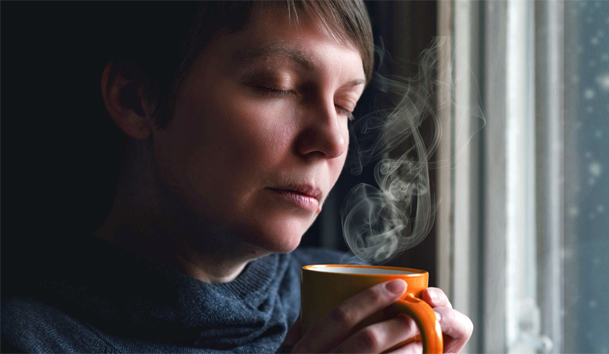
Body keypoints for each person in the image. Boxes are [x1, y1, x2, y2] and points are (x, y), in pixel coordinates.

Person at [0, 1, 472, 353]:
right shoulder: (32, 337)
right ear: (136, 98)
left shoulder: (344, 305)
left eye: (345, 106)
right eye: (277, 87)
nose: (331, 140)